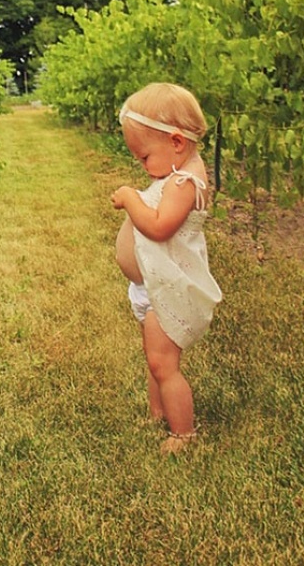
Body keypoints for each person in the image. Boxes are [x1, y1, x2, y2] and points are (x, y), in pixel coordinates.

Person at [111, 82, 221, 454]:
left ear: (176, 142)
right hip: (154, 286)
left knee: (164, 363)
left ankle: (183, 433)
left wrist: (131, 198)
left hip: (167, 291)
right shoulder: (174, 174)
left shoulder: (185, 183)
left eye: (144, 157)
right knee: (155, 359)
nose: (142, 166)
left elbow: (159, 227)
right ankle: (159, 413)